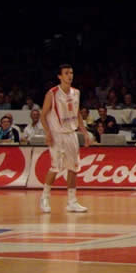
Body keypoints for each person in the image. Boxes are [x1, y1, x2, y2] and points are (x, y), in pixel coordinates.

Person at [40, 64, 94, 214]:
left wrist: (84, 133)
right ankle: (44, 197)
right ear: (59, 76)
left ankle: (72, 201)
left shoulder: (76, 92)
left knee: (73, 168)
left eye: (71, 73)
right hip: (57, 134)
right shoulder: (52, 93)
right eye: (66, 73)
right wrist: (48, 133)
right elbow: (43, 115)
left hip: (71, 134)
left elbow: (77, 114)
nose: (70, 75)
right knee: (55, 167)